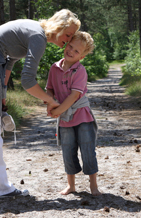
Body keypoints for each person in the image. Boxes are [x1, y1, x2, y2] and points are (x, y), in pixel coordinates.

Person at [0, 9, 80, 198]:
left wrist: (2, 94)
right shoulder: (38, 37)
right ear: (58, 27)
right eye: (68, 35)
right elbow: (28, 81)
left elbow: (10, 61)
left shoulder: (34, 30)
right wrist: (50, 99)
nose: (68, 41)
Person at [45, 31, 101, 196]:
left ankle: (93, 185)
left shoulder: (80, 71)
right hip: (64, 118)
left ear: (81, 57)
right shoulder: (54, 68)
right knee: (67, 149)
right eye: (70, 46)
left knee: (87, 149)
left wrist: (58, 111)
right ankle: (71, 185)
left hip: (82, 116)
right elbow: (49, 89)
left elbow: (73, 96)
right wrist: (50, 104)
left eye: (76, 51)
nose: (71, 51)